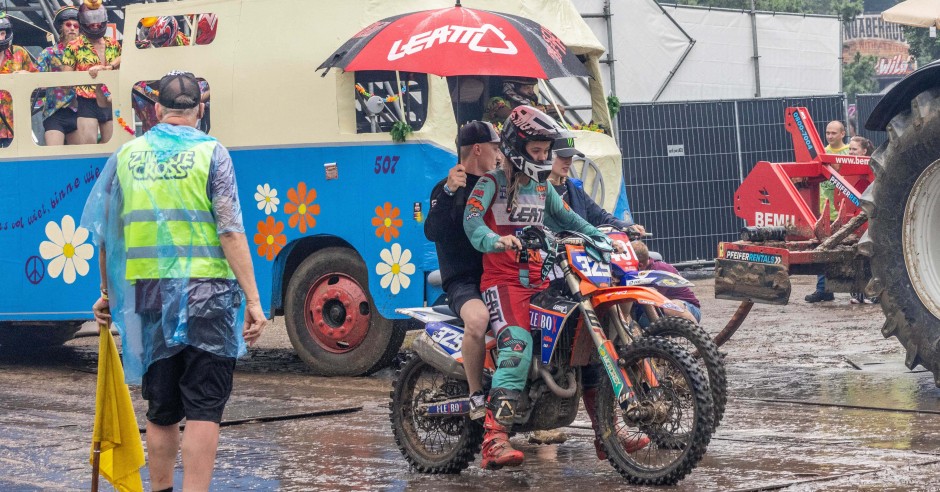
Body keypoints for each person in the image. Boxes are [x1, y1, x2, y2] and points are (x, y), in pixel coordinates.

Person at [83, 71, 267, 491]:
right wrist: (253, 301)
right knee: (204, 407)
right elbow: (230, 230)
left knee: (161, 407)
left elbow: (107, 231)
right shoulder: (212, 154)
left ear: (154, 110)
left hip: (151, 296)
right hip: (209, 295)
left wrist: (107, 294)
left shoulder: (127, 155)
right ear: (200, 110)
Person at [464, 105, 611, 470]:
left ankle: (608, 435)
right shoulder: (491, 184)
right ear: (517, 146)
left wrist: (601, 238)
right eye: (537, 151)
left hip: (542, 281)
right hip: (503, 284)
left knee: (588, 341)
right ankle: (494, 439)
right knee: (518, 344)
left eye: (547, 151)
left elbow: (568, 218)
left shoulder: (542, 187)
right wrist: (494, 241)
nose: (544, 157)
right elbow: (471, 221)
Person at [424, 120, 501, 420]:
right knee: (478, 320)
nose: (499, 153)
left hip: (499, 274)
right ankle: (474, 395)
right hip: (463, 281)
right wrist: (447, 192)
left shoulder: (496, 185)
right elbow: (432, 231)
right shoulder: (447, 186)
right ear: (478, 149)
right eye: (494, 148)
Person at [61, 2, 121, 145]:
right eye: (90, 21)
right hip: (87, 101)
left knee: (111, 146)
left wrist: (110, 67)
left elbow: (125, 62)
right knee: (89, 147)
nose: (95, 24)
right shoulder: (74, 46)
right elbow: (65, 82)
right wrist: (86, 75)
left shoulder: (113, 43)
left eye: (98, 20)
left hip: (110, 100)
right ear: (83, 21)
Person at [807, 120, 850, 303]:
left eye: (833, 133)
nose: (830, 136)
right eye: (827, 133)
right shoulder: (822, 154)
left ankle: (858, 292)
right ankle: (823, 289)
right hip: (825, 212)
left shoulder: (848, 153)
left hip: (844, 213)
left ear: (842, 133)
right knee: (822, 249)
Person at [37, 7, 81, 146]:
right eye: (68, 25)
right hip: (54, 111)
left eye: (76, 25)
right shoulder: (49, 53)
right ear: (61, 28)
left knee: (80, 158)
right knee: (54, 157)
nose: (72, 28)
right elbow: (36, 76)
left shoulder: (86, 53)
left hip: (80, 111)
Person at [632, 240, 702, 323]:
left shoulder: (660, 270)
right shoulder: (641, 270)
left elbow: (656, 299)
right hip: (657, 311)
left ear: (640, 265)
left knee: (669, 307)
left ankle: (696, 334)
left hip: (688, 308)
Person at [0, 12, 38, 148]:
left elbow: (40, 81)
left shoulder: (19, 53)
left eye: (2, 33)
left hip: (17, 124)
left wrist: (27, 75)